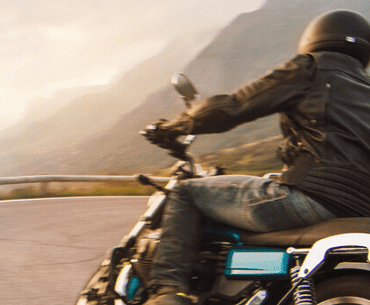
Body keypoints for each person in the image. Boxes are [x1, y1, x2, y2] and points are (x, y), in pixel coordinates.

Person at [143, 10, 370, 305]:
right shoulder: (365, 89)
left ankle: (167, 291)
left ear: (315, 38)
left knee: (187, 193)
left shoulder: (311, 69)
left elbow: (232, 106)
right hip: (356, 209)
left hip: (312, 197)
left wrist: (174, 126)